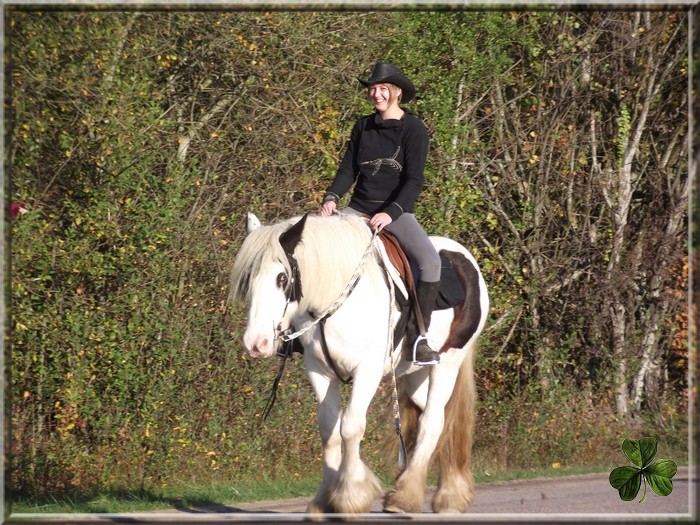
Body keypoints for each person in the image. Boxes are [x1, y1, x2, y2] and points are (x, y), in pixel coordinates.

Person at [320, 62, 442, 366]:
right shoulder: (362, 126)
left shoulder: (415, 129)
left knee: (430, 262)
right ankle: (301, 332)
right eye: (372, 88)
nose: (375, 94)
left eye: (382, 88)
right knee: (316, 243)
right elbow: (348, 168)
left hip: (396, 213)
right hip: (357, 209)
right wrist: (332, 197)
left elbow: (414, 179)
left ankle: (419, 338)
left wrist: (391, 213)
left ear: (396, 92)